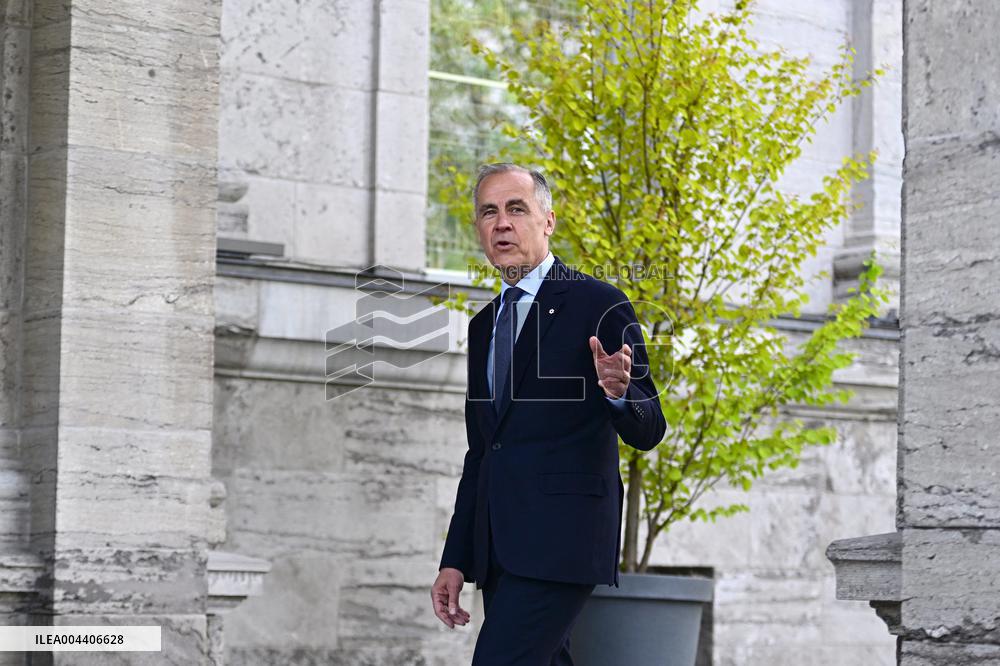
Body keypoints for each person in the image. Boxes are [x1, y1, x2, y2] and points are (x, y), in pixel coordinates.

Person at [430, 163, 666, 665]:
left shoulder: (598, 303)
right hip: (500, 548)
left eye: (516, 209)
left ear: (548, 221)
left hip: (563, 541)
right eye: (488, 212)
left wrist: (620, 392)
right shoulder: (483, 326)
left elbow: (651, 427)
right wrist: (456, 559)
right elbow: (483, 451)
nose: (502, 223)